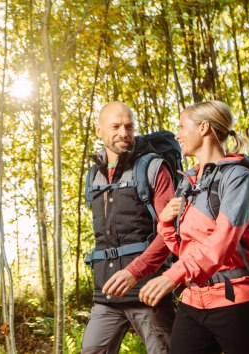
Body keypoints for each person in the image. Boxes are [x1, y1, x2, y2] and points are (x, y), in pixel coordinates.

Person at [139, 101, 249, 353]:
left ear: (203, 128)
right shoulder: (189, 182)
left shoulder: (238, 178)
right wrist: (167, 225)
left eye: (182, 127)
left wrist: (172, 276)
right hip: (194, 302)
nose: (178, 135)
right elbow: (185, 251)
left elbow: (222, 242)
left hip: (240, 302)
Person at [81, 102, 176, 354]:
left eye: (129, 126)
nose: (124, 132)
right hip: (107, 292)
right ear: (99, 130)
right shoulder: (94, 175)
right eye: (115, 126)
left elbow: (170, 233)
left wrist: (135, 271)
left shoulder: (153, 168)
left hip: (148, 291)